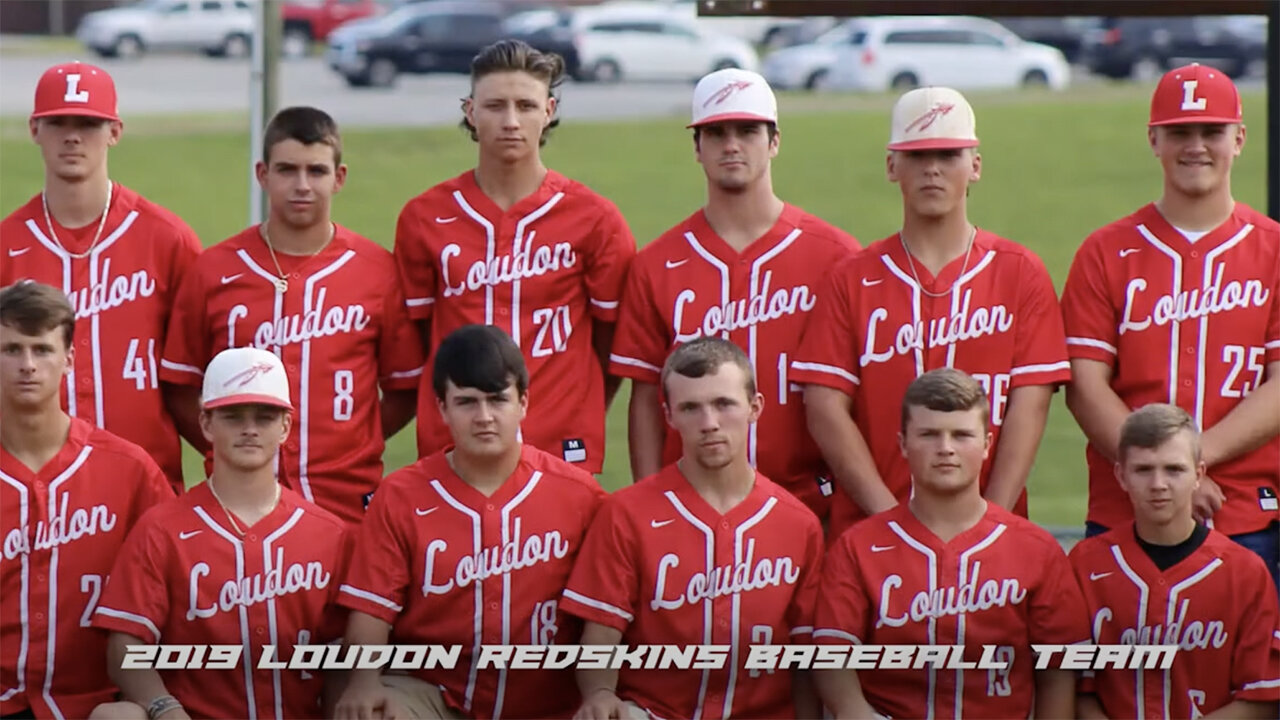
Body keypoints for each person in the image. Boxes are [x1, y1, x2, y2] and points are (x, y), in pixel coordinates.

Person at [791, 86, 1070, 540]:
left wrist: (990, 522)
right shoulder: (851, 277)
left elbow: (1030, 405)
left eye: (948, 154)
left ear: (974, 166)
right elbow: (824, 407)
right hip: (873, 534)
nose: (933, 169)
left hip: (992, 540)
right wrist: (890, 520)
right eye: (917, 156)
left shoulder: (1019, 272)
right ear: (891, 166)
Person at [1061, 64, 1280, 584]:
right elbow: (1085, 387)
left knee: (1255, 668)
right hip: (1123, 517)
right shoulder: (1106, 252)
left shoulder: (1274, 249)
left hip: (1247, 512)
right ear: (1154, 139)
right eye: (1180, 131)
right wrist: (1161, 477)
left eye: (1212, 132)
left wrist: (1187, 467)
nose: (1196, 146)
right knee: (1120, 666)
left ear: (1240, 138)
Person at [608, 68, 859, 522]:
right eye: (716, 132)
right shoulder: (656, 264)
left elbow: (855, 393)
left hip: (810, 503)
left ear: (774, 141)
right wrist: (647, 507)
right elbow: (645, 397)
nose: (731, 145)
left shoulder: (836, 256)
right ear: (696, 147)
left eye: (747, 131)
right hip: (688, 509)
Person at [159, 106, 423, 523]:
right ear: (262, 175)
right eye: (287, 170)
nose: (302, 185)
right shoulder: (214, 271)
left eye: (316, 171)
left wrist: (355, 440)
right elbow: (179, 385)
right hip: (237, 504)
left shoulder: (377, 271)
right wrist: (226, 446)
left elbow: (406, 387)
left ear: (339, 178)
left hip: (346, 503)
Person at [334, 324, 606, 719]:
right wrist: (363, 683)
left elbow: (607, 613)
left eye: (497, 400)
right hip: (432, 693)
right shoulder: (401, 495)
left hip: (549, 701)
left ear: (523, 403)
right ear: (442, 407)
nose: (484, 417)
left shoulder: (580, 496)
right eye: (466, 402)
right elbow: (373, 608)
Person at [394, 39, 635, 472]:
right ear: (470, 111)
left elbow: (611, 342)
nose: (510, 121)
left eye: (525, 105)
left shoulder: (595, 219)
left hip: (560, 444)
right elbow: (414, 344)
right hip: (450, 448)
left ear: (549, 110)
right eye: (495, 106)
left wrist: (576, 402)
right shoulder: (424, 217)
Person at [562, 337, 824, 720]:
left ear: (755, 408)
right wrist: (600, 693)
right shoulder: (626, 513)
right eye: (691, 408)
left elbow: (806, 660)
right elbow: (600, 635)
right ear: (669, 415)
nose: (709, 423)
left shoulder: (798, 524)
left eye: (723, 404)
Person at [89, 346, 352, 720]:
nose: (249, 429)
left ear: (285, 427)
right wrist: (166, 710)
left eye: (264, 417)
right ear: (207, 424)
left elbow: (345, 650)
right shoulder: (162, 529)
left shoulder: (328, 533)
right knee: (114, 717)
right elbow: (125, 648)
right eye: (233, 416)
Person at [813, 368, 1088, 720]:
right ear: (902, 443)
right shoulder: (858, 547)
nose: (945, 449)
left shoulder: (1037, 550)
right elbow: (832, 655)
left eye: (961, 435)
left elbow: (1058, 669)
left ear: (987, 444)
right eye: (929, 435)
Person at [0, 61, 202, 492]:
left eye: (88, 123)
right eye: (58, 122)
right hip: (33, 492)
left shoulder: (167, 239)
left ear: (114, 131)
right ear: (35, 129)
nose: (72, 136)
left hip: (148, 489)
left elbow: (200, 378)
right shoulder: (7, 245)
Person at [0, 281, 173, 718]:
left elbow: (179, 582)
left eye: (41, 349)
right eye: (11, 350)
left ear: (69, 359)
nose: (27, 365)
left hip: (97, 701)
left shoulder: (128, 468)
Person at [1069, 403, 1279, 720]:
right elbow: (1071, 685)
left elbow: (1262, 695)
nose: (1158, 485)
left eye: (1174, 469)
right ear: (1120, 475)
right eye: (1143, 469)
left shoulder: (1244, 571)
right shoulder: (1085, 565)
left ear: (1199, 475)